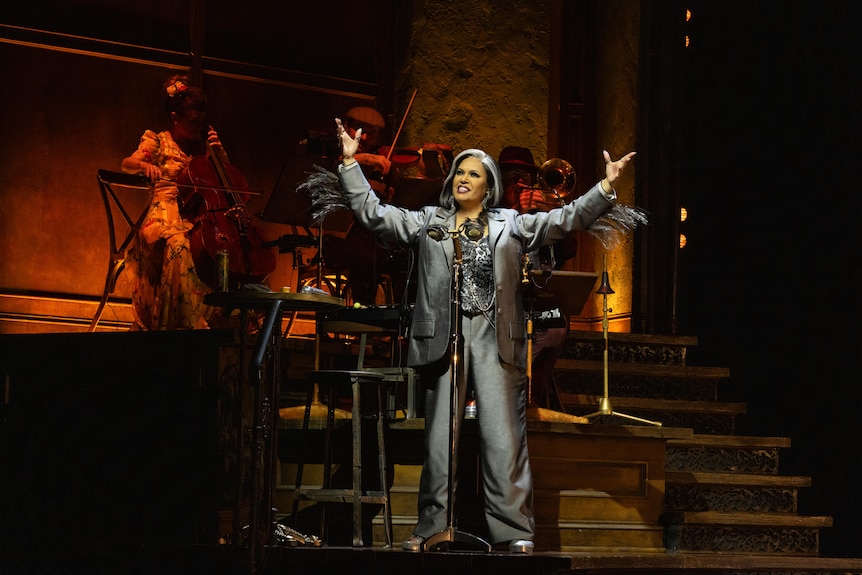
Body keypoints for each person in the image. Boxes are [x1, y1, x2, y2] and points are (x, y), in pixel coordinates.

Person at [333, 117, 635, 554]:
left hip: (497, 338)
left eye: (473, 173)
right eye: (459, 171)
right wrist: (348, 163)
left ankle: (513, 531)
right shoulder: (428, 222)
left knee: (504, 439)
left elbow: (566, 219)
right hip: (445, 338)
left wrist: (604, 188)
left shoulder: (511, 224)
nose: (463, 178)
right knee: (439, 442)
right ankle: (431, 528)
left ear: (488, 186)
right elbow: (373, 214)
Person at [121, 74, 227, 330]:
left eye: (200, 123)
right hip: (162, 218)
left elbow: (225, 182)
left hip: (195, 220)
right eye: (193, 123)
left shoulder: (203, 148)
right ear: (175, 116)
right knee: (179, 247)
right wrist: (145, 166)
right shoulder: (158, 140)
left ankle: (215, 322)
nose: (197, 130)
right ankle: (179, 325)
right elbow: (127, 164)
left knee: (219, 250)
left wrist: (220, 155)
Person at [498, 146, 575, 410]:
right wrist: (516, 214)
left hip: (537, 302)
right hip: (497, 304)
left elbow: (569, 250)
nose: (520, 181)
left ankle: (529, 400)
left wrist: (553, 216)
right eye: (512, 174)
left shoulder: (544, 211)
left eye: (526, 175)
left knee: (555, 330)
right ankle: (512, 397)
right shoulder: (491, 210)